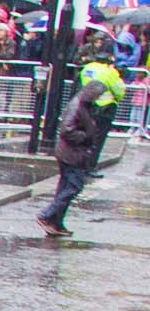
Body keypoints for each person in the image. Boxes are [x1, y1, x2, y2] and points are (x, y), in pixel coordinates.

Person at [36, 75, 109, 236]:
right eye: (98, 95)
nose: (98, 98)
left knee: (66, 188)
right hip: (71, 155)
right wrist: (85, 137)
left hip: (75, 154)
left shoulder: (85, 105)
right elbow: (66, 131)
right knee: (73, 187)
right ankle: (47, 215)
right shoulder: (77, 106)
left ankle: (56, 222)